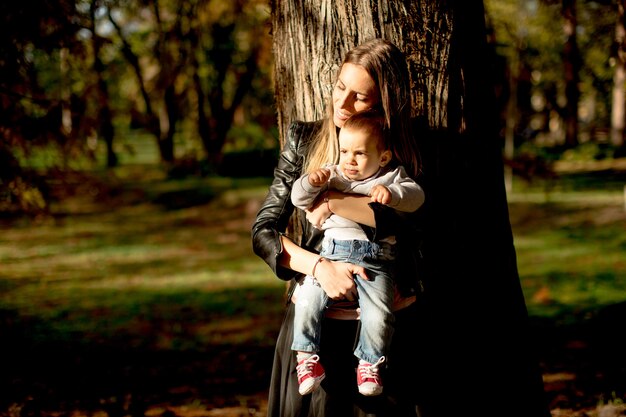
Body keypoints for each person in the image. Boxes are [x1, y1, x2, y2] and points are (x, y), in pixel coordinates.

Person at [252, 38, 423, 416]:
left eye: (360, 97)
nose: (343, 105)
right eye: (340, 87)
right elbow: (264, 232)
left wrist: (331, 202)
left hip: (382, 329)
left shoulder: (398, 153)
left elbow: (408, 220)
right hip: (315, 327)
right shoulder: (303, 140)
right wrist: (320, 269)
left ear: (383, 105)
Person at [289, 109, 425, 397]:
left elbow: (417, 197)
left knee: (379, 311)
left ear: (383, 157)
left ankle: (369, 362)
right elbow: (298, 199)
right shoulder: (333, 175)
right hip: (333, 253)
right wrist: (310, 182)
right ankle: (306, 357)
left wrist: (393, 196)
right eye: (344, 151)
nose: (349, 159)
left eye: (359, 153)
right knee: (308, 298)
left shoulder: (390, 178)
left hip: (375, 258)